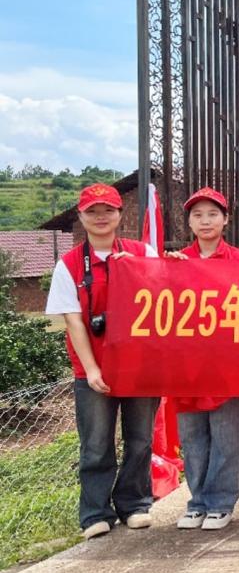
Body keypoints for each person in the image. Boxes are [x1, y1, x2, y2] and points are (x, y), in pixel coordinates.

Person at [44, 184, 160, 540]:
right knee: (96, 444)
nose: (100, 218)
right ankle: (95, 512)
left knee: (140, 440)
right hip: (92, 369)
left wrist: (169, 266)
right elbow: (74, 321)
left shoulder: (142, 253)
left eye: (108, 210)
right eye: (92, 211)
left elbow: (165, 296)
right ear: (80, 217)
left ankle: (134, 504)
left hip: (139, 368)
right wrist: (92, 368)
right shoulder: (68, 265)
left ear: (120, 215)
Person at [164, 186, 239, 530]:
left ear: (226, 220)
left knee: (226, 437)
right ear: (189, 222)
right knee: (193, 437)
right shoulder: (176, 262)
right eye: (197, 215)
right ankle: (197, 501)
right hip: (186, 365)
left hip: (227, 365)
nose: (205, 221)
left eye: (213, 214)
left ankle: (221, 503)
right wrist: (164, 272)